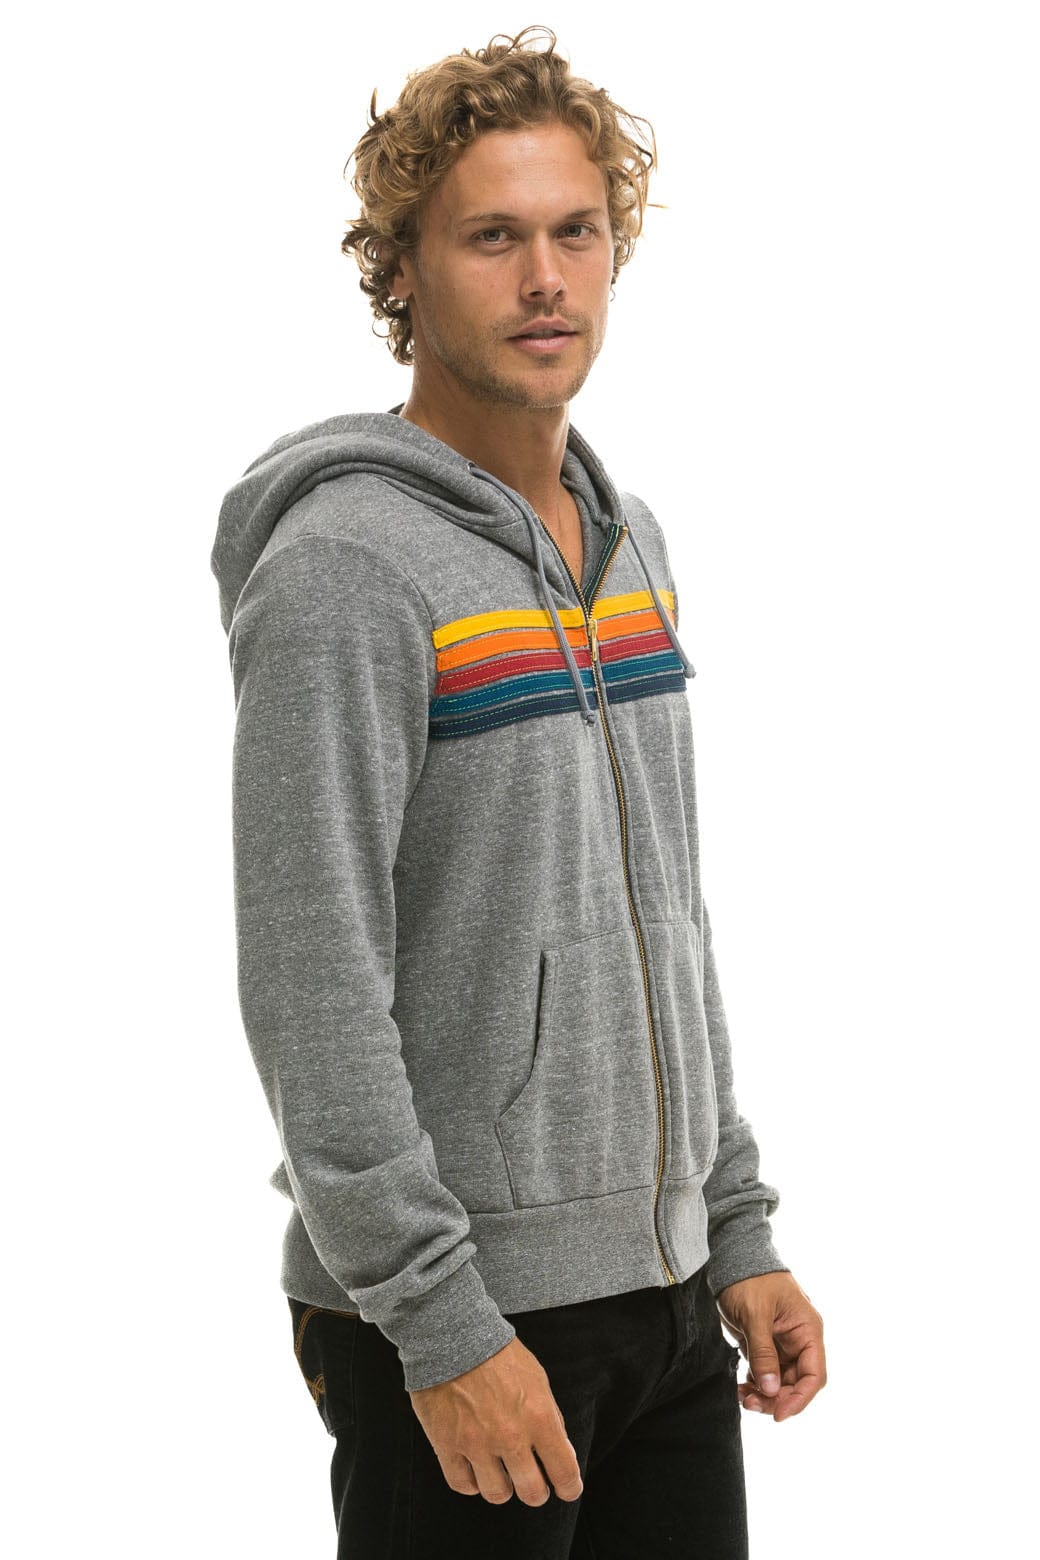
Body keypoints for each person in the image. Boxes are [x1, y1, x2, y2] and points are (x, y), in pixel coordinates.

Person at [211, 25, 826, 1558]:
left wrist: (732, 1225)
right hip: (460, 1317)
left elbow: (666, 915)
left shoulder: (629, 545)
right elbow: (309, 978)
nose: (546, 278)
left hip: (666, 1301)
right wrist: (440, 1322)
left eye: (577, 232)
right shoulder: (345, 569)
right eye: (493, 236)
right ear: (402, 269)